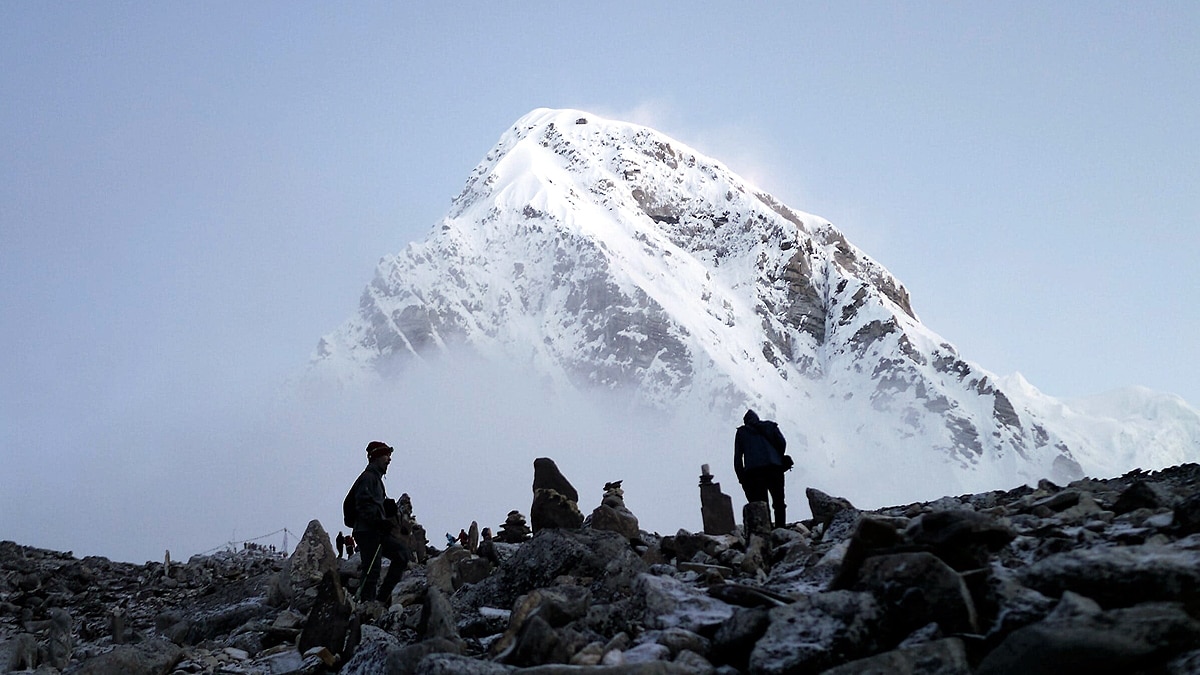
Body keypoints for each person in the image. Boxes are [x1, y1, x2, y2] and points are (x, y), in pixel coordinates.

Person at [348, 441, 411, 603]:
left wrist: (385, 508)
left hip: (376, 530)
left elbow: (370, 504)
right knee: (372, 569)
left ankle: (381, 599)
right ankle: (365, 604)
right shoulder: (368, 478)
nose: (389, 460)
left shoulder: (376, 480)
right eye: (386, 455)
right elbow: (362, 504)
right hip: (367, 531)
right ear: (376, 457)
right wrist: (378, 521)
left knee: (402, 554)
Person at [734, 409, 791, 529]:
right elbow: (782, 443)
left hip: (755, 473)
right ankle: (781, 528)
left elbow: (738, 457)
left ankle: (767, 529)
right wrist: (777, 456)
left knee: (762, 503)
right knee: (779, 501)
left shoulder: (742, 432)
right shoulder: (770, 426)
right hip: (775, 468)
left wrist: (742, 478)